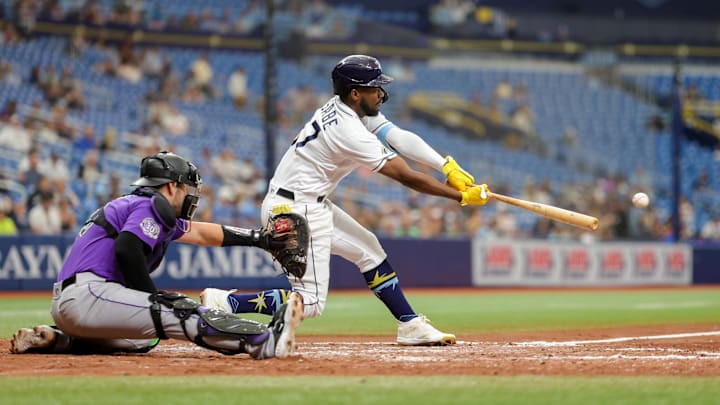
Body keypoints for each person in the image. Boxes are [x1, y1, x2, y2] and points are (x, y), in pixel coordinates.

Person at [202, 55, 489, 346]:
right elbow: (406, 176)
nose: (381, 93)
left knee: (370, 251)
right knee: (311, 303)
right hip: (294, 210)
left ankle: (410, 324)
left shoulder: (350, 110)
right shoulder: (349, 131)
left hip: (309, 203)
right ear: (355, 93)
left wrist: (446, 166)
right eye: (374, 87)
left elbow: (397, 136)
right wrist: (459, 196)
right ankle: (226, 304)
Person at [10, 151, 303, 359]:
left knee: (144, 338)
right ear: (171, 186)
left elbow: (202, 233)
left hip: (74, 305)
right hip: (88, 295)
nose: (191, 194)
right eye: (187, 187)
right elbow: (126, 248)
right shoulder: (150, 204)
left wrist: (259, 239)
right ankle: (262, 340)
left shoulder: (141, 206)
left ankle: (61, 340)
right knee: (176, 309)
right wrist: (152, 298)